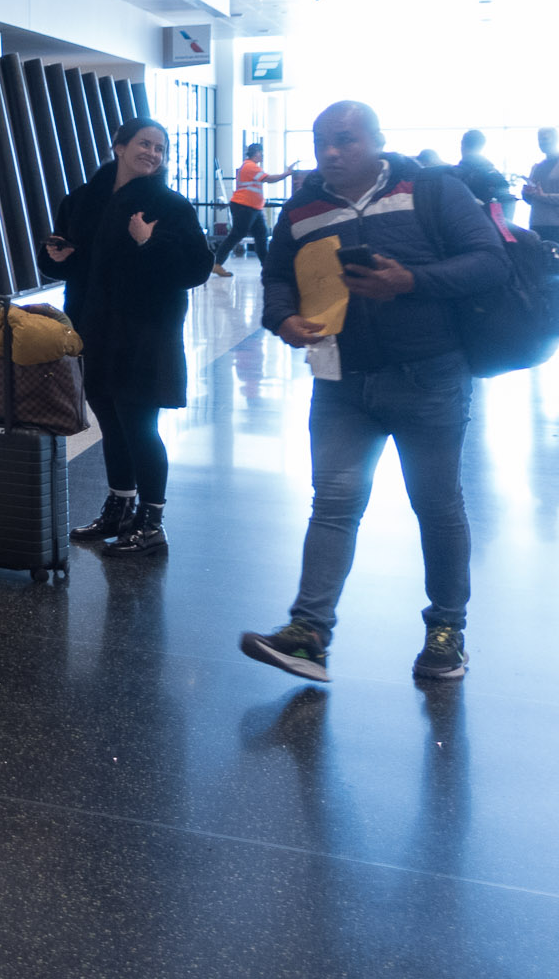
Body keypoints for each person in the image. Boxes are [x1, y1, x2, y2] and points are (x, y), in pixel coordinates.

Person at [240, 101, 504, 685]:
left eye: (345, 140)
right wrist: (282, 317)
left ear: (377, 140)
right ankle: (309, 635)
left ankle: (446, 632)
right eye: (321, 142)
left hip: (428, 377)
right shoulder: (304, 206)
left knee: (436, 507)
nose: (331, 152)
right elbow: (277, 272)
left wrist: (410, 281)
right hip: (340, 382)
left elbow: (489, 262)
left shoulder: (431, 189)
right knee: (333, 504)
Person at [43, 118, 213, 553]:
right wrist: (57, 257)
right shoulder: (82, 201)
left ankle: (152, 522)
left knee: (139, 425)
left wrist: (149, 242)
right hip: (92, 327)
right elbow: (66, 264)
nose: (153, 154)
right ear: (118, 146)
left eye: (160, 148)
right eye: (144, 144)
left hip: (145, 332)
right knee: (111, 424)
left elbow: (196, 268)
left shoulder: (171, 206)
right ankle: (119, 508)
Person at [210, 141, 299, 277]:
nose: (262, 155)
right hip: (244, 206)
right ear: (256, 153)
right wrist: (287, 173)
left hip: (253, 207)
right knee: (237, 234)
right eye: (261, 153)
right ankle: (217, 263)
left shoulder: (250, 166)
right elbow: (268, 179)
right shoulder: (250, 167)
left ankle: (268, 267)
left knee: (261, 236)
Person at [453, 128, 511, 219]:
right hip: (494, 225)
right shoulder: (494, 172)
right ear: (482, 146)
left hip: (467, 223)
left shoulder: (457, 173)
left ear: (462, 144)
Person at [520, 127, 559, 246]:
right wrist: (526, 193)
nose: (542, 143)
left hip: (555, 224)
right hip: (536, 223)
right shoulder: (536, 167)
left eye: (546, 139)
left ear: (555, 139)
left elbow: (540, 196)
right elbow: (531, 200)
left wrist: (544, 196)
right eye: (540, 139)